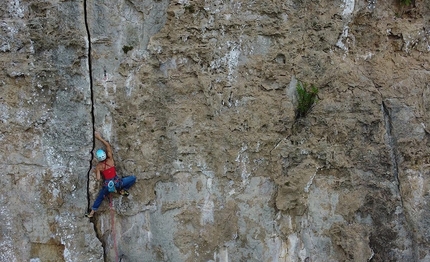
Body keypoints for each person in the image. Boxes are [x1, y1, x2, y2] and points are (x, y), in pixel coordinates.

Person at [85, 131, 136, 218]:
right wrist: (99, 138)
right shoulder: (110, 160)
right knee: (133, 178)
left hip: (108, 187)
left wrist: (96, 171)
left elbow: (98, 178)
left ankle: (91, 213)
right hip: (118, 183)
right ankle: (123, 190)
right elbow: (108, 146)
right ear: (105, 155)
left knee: (100, 198)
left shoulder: (99, 166)